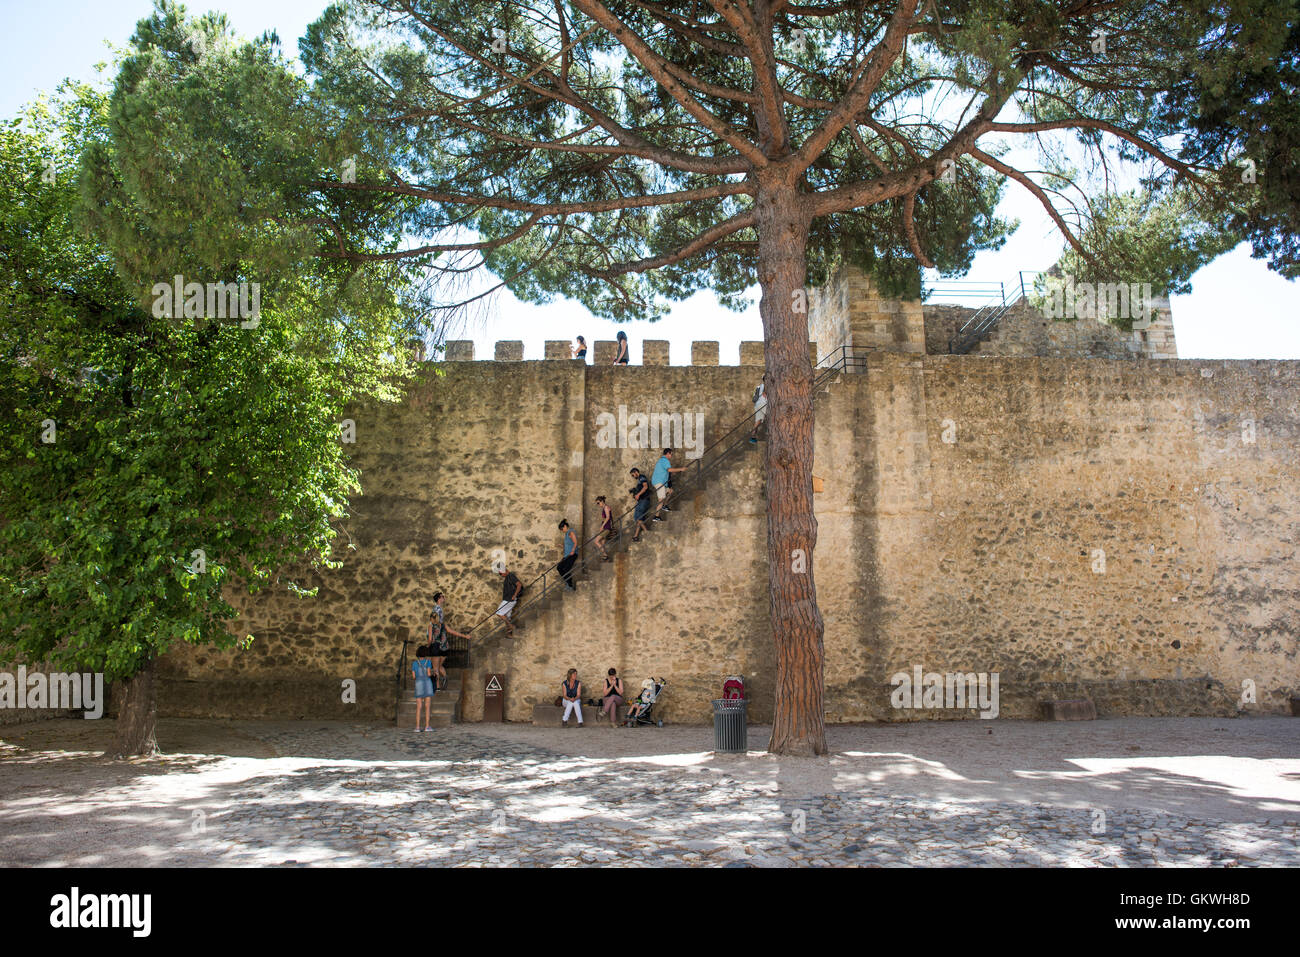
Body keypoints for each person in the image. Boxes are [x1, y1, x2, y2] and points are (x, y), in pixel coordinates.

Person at [429, 592, 470, 689]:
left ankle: (438, 686)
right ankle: (445, 677)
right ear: (439, 598)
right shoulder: (439, 614)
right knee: (439, 666)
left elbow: (430, 637)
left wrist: (428, 645)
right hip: (444, 645)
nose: (444, 598)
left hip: (436, 644)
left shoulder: (433, 621)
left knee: (435, 668)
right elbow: (450, 630)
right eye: (443, 597)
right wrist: (465, 636)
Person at [651, 448, 687, 520]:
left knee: (670, 491)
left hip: (661, 482)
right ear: (667, 453)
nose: (671, 455)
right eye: (671, 454)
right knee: (660, 500)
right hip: (659, 482)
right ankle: (656, 517)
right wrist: (681, 469)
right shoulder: (665, 460)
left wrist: (673, 472)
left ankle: (664, 505)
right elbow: (669, 470)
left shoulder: (661, 461)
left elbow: (668, 471)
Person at [412, 644, 435, 732]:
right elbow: (429, 674)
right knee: (427, 706)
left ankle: (417, 727)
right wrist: (434, 673)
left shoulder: (414, 663)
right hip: (427, 684)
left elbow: (413, 676)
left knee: (419, 707)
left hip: (418, 684)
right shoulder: (428, 662)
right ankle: (427, 726)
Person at [495, 565, 524, 637]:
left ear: (504, 571)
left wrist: (515, 595)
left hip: (510, 599)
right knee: (507, 616)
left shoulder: (511, 576)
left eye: (500, 573)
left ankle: (511, 626)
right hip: (508, 599)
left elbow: (519, 585)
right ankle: (510, 633)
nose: (501, 575)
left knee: (499, 613)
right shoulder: (508, 577)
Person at [629, 467, 652, 542]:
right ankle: (635, 536)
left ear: (636, 472)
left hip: (644, 500)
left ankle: (646, 532)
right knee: (639, 518)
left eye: (633, 475)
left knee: (637, 518)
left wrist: (638, 494)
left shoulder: (642, 477)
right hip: (641, 501)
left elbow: (645, 487)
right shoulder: (639, 480)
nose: (633, 477)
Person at [557, 519, 579, 591]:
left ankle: (570, 586)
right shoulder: (566, 534)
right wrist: (562, 546)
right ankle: (568, 583)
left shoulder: (571, 532)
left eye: (562, 529)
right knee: (559, 567)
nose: (562, 530)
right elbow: (569, 545)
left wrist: (573, 550)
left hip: (572, 554)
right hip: (567, 555)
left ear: (565, 526)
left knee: (566, 569)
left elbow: (575, 542)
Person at [593, 495, 613, 561]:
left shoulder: (606, 507)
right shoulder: (605, 507)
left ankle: (605, 555)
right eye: (597, 503)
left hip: (606, 528)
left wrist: (602, 526)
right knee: (602, 542)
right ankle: (605, 558)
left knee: (596, 541)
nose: (598, 504)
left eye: (598, 503)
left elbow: (608, 517)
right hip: (605, 527)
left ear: (602, 501)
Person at [750, 375, 768, 443]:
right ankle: (769, 433)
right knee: (771, 417)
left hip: (757, 405)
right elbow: (764, 394)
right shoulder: (767, 385)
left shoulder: (759, 386)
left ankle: (752, 437)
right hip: (763, 404)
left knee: (758, 421)